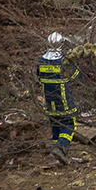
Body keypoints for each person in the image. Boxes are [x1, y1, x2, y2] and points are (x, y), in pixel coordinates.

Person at [38, 32, 78, 164]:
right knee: (69, 125)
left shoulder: (41, 61)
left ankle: (61, 154)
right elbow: (76, 76)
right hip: (64, 100)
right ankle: (60, 149)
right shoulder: (64, 62)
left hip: (49, 102)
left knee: (55, 125)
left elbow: (38, 77)